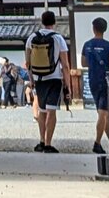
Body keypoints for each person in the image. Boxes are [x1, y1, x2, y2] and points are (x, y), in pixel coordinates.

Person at [23, 9, 71, 153]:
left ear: (42, 22)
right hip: (54, 78)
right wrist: (67, 84)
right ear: (54, 22)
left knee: (42, 111)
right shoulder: (58, 38)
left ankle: (41, 141)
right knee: (52, 111)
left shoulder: (32, 38)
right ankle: (48, 144)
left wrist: (31, 79)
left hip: (38, 78)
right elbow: (65, 65)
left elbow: (28, 62)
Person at [80, 18, 109, 155]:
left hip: (93, 79)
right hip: (106, 81)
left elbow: (83, 63)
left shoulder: (87, 45)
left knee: (104, 112)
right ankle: (97, 143)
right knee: (104, 113)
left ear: (93, 28)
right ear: (105, 29)